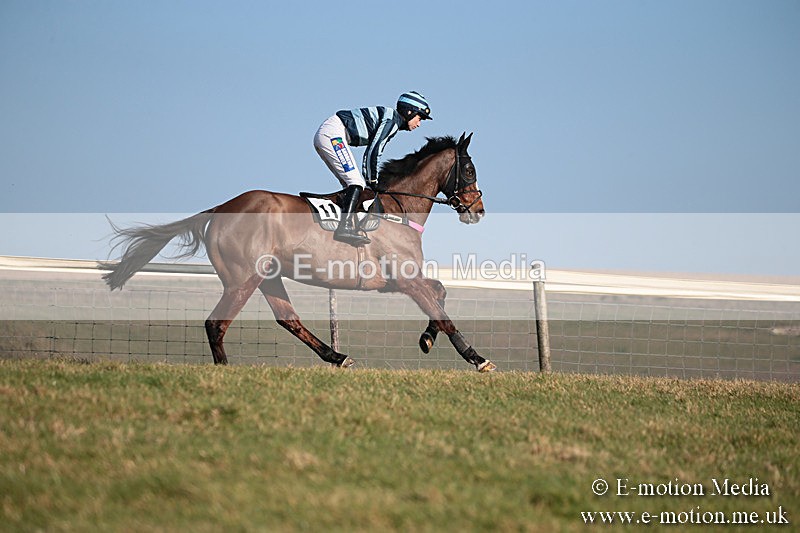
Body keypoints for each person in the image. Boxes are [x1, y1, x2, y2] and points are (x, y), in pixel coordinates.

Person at [314, 91, 432, 246]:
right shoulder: (392, 121)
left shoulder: (392, 119)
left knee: (352, 186)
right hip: (333, 134)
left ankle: (344, 224)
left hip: (329, 134)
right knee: (356, 183)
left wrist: (371, 180)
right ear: (409, 111)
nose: (419, 123)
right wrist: (373, 181)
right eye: (419, 117)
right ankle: (345, 227)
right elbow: (374, 151)